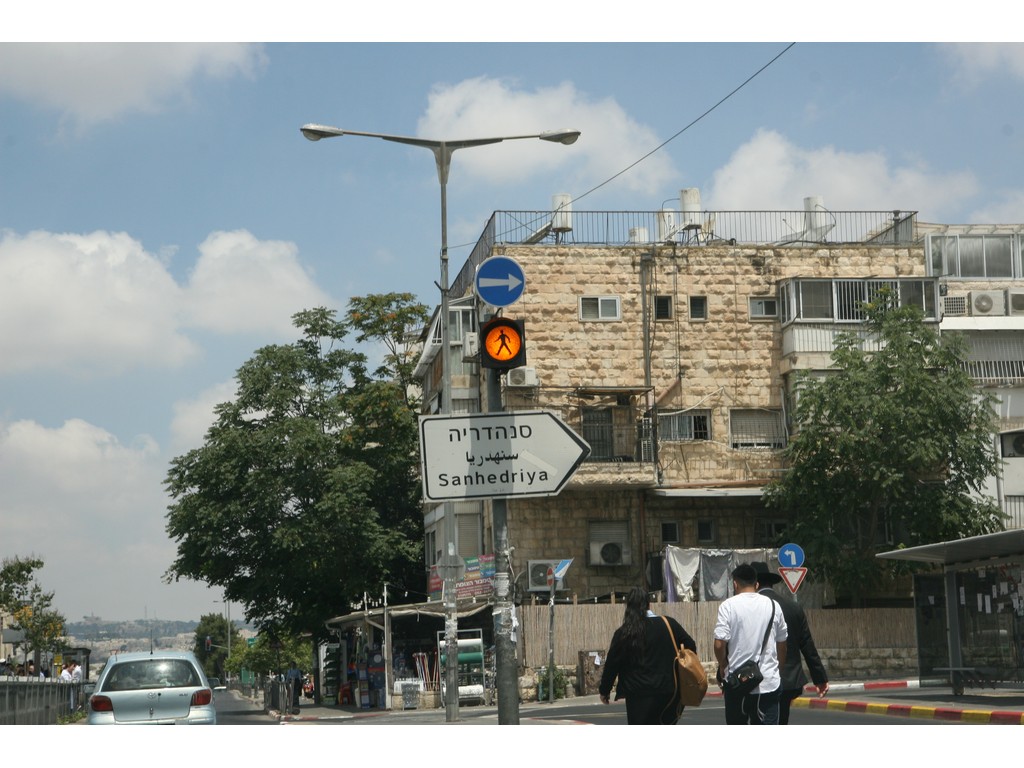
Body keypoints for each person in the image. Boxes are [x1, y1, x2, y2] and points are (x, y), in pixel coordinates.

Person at [598, 586, 698, 724]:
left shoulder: (623, 633)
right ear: (648, 603)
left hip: (637, 695)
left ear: (628, 606)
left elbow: (612, 664)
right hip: (668, 692)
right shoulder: (668, 624)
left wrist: (605, 690)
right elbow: (690, 646)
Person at [751, 561, 829, 724]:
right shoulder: (792, 607)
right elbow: (807, 644)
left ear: (754, 583)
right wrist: (819, 678)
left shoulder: (747, 608)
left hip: (755, 679)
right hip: (788, 679)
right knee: (781, 718)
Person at [713, 562, 788, 725]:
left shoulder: (728, 606)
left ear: (735, 583)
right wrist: (778, 670)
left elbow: (719, 644)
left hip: (737, 684)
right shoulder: (774, 606)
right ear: (757, 584)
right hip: (769, 682)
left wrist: (723, 665)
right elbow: (782, 644)